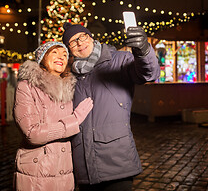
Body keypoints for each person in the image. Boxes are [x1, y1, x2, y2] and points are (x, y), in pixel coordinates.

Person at [62, 22, 160, 190]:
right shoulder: (70, 77)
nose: (79, 43)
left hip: (116, 162)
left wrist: (143, 50)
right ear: (69, 49)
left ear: (91, 37)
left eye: (82, 37)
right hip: (84, 168)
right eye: (72, 42)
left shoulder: (119, 60)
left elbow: (148, 73)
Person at [13, 41, 93, 190]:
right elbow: (32, 133)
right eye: (54, 52)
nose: (60, 57)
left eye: (64, 55)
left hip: (66, 170)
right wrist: (74, 120)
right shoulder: (27, 86)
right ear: (42, 57)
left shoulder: (71, 88)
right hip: (37, 170)